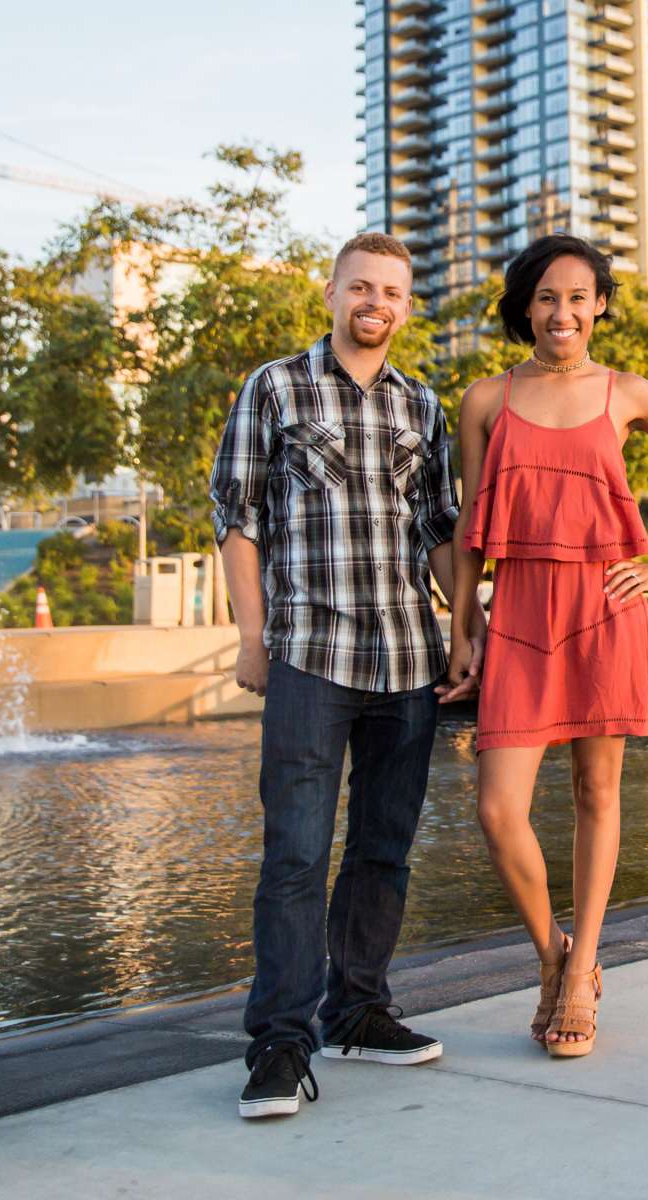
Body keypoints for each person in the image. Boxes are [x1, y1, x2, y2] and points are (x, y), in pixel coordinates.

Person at [446, 233, 648, 1059]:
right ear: (524, 308)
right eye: (545, 297)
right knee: (498, 810)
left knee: (596, 795)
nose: (561, 311)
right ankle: (551, 955)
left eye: (577, 296)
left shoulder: (627, 393)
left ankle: (583, 977)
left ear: (600, 304)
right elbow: (472, 530)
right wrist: (464, 628)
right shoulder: (485, 400)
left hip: (606, 604)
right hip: (521, 610)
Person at [210, 232, 476, 1120]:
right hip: (310, 657)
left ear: (406, 306)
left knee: (382, 852)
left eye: (393, 292)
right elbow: (237, 518)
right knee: (294, 856)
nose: (378, 303)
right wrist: (254, 638)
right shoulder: (275, 386)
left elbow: (439, 529)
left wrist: (466, 629)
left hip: (406, 658)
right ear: (331, 294)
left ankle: (358, 1010)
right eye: (362, 287)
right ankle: (281, 1045)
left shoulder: (423, 406)